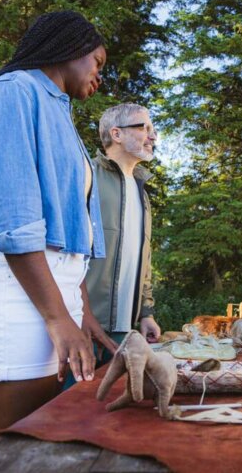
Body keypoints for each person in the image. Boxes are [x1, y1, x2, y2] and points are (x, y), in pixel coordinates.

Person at [0, 11, 114, 445]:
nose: (99, 76)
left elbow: (73, 234)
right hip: (16, 296)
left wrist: (81, 312)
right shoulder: (14, 92)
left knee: (44, 448)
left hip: (56, 298)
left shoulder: (60, 112)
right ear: (71, 49)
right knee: (7, 452)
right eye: (98, 63)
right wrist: (58, 317)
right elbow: (13, 218)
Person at [84, 103, 160, 356]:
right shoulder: (87, 175)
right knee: (73, 397)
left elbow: (143, 262)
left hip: (125, 331)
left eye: (153, 128)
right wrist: (77, 315)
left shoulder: (143, 194)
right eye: (143, 127)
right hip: (82, 327)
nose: (153, 135)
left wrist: (146, 313)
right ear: (116, 134)